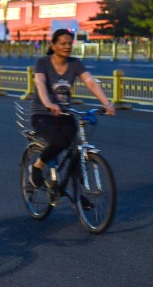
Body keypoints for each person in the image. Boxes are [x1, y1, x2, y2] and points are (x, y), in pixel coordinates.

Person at [28, 28, 115, 188]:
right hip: (42, 114)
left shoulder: (75, 63)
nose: (66, 46)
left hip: (64, 114)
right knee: (59, 142)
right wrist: (48, 103)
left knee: (77, 149)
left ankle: (80, 195)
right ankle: (37, 166)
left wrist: (106, 102)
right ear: (53, 45)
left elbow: (90, 82)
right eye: (62, 43)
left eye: (69, 43)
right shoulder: (43, 62)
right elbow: (40, 84)